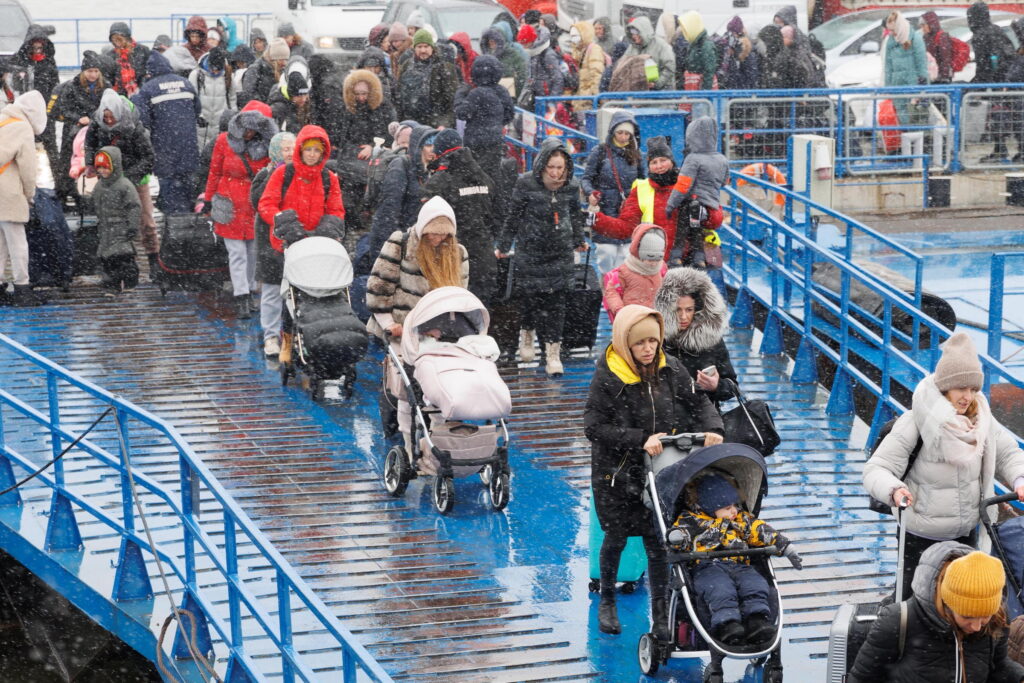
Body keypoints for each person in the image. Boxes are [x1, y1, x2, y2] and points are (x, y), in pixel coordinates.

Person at [584, 304, 725, 635]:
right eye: (640, 343)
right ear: (626, 344)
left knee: (657, 542)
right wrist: (639, 439)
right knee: (616, 537)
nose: (648, 349)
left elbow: (698, 402)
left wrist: (713, 428)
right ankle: (607, 600)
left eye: (653, 341)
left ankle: (660, 614)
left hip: (659, 469)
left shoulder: (670, 368)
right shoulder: (608, 377)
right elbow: (593, 427)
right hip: (618, 472)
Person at [863, 332, 1024, 600]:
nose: (967, 397)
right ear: (945, 387)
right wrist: (894, 490)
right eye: (961, 388)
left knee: (960, 601)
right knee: (915, 601)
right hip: (919, 535)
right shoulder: (915, 422)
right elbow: (876, 469)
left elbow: (1008, 453)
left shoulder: (983, 421)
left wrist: (1019, 479)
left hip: (965, 534)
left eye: (973, 389)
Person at [850, 543, 1024, 683]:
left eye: (985, 615)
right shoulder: (898, 620)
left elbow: (998, 666)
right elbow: (861, 678)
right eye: (967, 616)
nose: (977, 626)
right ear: (947, 603)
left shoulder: (997, 618)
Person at [671, 472, 800, 644]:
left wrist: (785, 546)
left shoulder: (741, 519)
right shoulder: (692, 521)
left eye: (734, 505)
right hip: (707, 566)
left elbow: (760, 530)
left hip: (740, 565)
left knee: (755, 584)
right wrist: (676, 538)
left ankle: (756, 620)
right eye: (727, 508)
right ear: (709, 507)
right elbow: (681, 535)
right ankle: (727, 625)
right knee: (720, 589)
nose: (734, 511)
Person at [496, 137, 587, 377]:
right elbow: (514, 216)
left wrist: (579, 240)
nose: (556, 173)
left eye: (560, 168)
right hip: (531, 250)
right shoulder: (526, 183)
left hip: (560, 252)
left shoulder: (570, 185)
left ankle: (553, 353)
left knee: (557, 303)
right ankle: (527, 335)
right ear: (542, 165)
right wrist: (504, 245)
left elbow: (575, 215)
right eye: (551, 167)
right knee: (529, 298)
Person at [257, 125, 346, 362]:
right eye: (309, 149)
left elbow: (336, 209)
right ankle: (280, 338)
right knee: (284, 293)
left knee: (312, 295)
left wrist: (329, 226)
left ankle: (310, 337)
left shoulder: (328, 178)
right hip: (285, 244)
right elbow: (266, 204)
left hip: (316, 245)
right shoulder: (283, 174)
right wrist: (284, 221)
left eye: (317, 150)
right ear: (301, 150)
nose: (313, 154)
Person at [204, 101, 277, 319]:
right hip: (229, 204)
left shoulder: (267, 147)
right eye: (246, 127)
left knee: (253, 251)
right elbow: (214, 172)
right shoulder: (222, 141)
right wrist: (208, 199)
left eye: (254, 128)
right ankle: (241, 295)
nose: (248, 133)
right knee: (237, 253)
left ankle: (250, 289)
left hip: (253, 204)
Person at [366, 195, 469, 342]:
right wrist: (388, 324)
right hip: (396, 333)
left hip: (434, 336)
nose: (438, 239)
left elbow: (459, 296)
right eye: (433, 233)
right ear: (422, 229)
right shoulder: (400, 244)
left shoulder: (458, 253)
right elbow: (379, 287)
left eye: (444, 235)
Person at [86, 89, 158, 274]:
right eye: (106, 118)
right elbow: (90, 144)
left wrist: (127, 178)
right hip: (108, 180)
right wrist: (90, 164)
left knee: (146, 222)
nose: (109, 121)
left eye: (112, 117)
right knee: (112, 223)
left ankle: (154, 260)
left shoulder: (134, 127)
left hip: (135, 180)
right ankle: (121, 262)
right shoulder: (97, 123)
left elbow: (148, 157)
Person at [422, 128, 497, 304]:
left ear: (439, 152)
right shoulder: (484, 177)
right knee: (479, 311)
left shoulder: (439, 182)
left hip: (451, 259)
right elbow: (497, 215)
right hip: (484, 258)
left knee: (452, 312)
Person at [655, 267, 739, 408]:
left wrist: (716, 386)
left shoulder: (712, 340)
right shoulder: (655, 339)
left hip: (705, 415)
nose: (683, 316)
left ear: (697, 310)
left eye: (689, 310)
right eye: (677, 310)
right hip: (665, 415)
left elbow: (732, 386)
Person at [589, 136, 683, 263]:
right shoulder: (641, 189)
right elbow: (626, 227)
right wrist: (596, 219)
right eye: (654, 162)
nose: (659, 166)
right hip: (652, 262)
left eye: (663, 160)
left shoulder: (685, 185)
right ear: (648, 166)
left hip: (684, 259)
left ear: (672, 161)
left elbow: (709, 221)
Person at [133, 51, 201, 216]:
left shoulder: (148, 88)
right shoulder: (185, 83)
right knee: (187, 178)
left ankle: (173, 218)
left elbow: (143, 120)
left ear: (150, 71)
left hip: (164, 143)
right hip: (188, 142)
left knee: (168, 180)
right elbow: (197, 109)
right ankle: (188, 215)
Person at [362, 125, 436, 273]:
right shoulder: (401, 165)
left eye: (435, 145)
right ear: (418, 146)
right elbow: (389, 209)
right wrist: (386, 249)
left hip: (418, 239)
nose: (433, 149)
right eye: (428, 145)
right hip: (399, 237)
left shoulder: (432, 170)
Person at [581, 111, 642, 274]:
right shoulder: (600, 151)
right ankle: (608, 284)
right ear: (613, 132)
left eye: (627, 134)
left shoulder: (636, 154)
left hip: (628, 212)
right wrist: (590, 192)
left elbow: (643, 181)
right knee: (606, 253)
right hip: (605, 211)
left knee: (625, 256)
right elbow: (586, 178)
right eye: (620, 132)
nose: (623, 137)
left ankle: (616, 286)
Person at [0, 91, 46, 307]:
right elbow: (28, 169)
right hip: (9, 193)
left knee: (0, 242)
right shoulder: (23, 127)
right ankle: (22, 289)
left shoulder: (3, 119)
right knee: (17, 242)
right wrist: (29, 195)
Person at [251, 131, 295, 357]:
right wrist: (275, 176)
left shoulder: (300, 174)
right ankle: (270, 336)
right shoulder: (265, 174)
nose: (290, 153)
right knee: (271, 291)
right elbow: (257, 202)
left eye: (293, 148)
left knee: (294, 292)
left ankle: (291, 338)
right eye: (285, 149)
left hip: (294, 240)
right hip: (269, 243)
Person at [666, 117, 729, 265]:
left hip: (692, 206)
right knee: (697, 229)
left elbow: (682, 186)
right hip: (712, 208)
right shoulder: (722, 159)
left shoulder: (693, 158)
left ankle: (676, 256)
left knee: (683, 228)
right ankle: (699, 258)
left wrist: (670, 205)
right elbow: (725, 182)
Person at [53, 51, 106, 205]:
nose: (93, 75)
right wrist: (78, 118)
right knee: (70, 161)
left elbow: (107, 107)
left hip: (96, 128)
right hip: (74, 129)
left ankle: (93, 194)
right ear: (83, 71)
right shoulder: (72, 86)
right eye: (90, 71)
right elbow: (63, 108)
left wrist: (93, 118)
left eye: (96, 71)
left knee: (95, 160)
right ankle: (66, 192)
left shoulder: (105, 86)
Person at [454, 55, 514, 182]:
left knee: (476, 175)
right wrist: (496, 124)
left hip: (476, 142)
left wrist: (460, 95)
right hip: (496, 140)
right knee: (493, 174)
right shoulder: (502, 91)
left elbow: (461, 113)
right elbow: (509, 114)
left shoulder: (477, 93)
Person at [92, 146, 141, 294]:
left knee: (123, 258)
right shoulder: (99, 186)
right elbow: (95, 204)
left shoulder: (125, 185)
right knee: (108, 260)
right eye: (99, 168)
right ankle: (111, 285)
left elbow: (134, 207)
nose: (102, 171)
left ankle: (130, 283)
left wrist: (133, 226)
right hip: (105, 229)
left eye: (105, 168)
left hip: (121, 228)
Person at [602, 224, 665, 321]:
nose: (654, 263)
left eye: (658, 259)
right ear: (639, 254)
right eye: (650, 259)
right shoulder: (626, 271)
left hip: (655, 318)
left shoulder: (662, 268)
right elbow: (612, 291)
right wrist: (619, 310)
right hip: (632, 319)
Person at [396, 30, 458, 129]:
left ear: (432, 47)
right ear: (414, 48)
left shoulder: (444, 68)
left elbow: (451, 102)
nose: (423, 50)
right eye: (419, 47)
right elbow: (399, 97)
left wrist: (444, 125)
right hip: (411, 125)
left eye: (426, 46)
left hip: (436, 125)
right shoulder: (407, 66)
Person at [883, 11, 928, 125]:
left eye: (893, 30)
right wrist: (888, 87)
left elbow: (921, 63)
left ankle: (915, 133)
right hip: (897, 84)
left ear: (899, 27)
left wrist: (923, 84)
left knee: (915, 114)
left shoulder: (915, 38)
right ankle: (905, 132)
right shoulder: (890, 41)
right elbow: (888, 66)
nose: (891, 33)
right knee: (901, 113)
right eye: (890, 30)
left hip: (913, 82)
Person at [190, 48, 236, 151]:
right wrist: (198, 115)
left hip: (220, 120)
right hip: (201, 122)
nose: (215, 72)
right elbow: (191, 99)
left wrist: (233, 115)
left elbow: (232, 98)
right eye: (213, 68)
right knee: (200, 148)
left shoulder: (228, 75)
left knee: (217, 150)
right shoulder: (196, 75)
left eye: (218, 69)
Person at [622, 16, 675, 91]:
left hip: (662, 93)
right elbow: (623, 65)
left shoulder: (661, 45)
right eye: (632, 32)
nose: (633, 36)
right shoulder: (632, 47)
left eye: (636, 32)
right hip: (640, 92)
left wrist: (657, 83)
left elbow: (670, 67)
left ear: (644, 31)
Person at [518, 24, 564, 99]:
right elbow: (530, 79)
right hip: (539, 98)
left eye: (525, 43)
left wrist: (551, 101)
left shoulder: (547, 55)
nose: (523, 47)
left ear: (532, 40)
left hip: (546, 98)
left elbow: (558, 79)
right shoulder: (532, 53)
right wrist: (522, 98)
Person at [240, 38, 290, 107]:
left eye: (286, 59)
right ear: (273, 58)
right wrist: (264, 107)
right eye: (281, 59)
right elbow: (248, 93)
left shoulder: (282, 71)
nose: (284, 63)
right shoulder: (256, 69)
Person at [481, 25, 527, 98]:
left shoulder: (513, 55)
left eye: (493, 40)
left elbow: (522, 76)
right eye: (488, 40)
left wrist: (514, 92)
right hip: (490, 97)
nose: (491, 42)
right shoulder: (485, 57)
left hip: (509, 96)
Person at [678, 12, 717, 91]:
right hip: (694, 88)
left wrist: (704, 93)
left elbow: (709, 72)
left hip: (699, 89)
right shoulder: (694, 43)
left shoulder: (706, 45)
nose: (684, 32)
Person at [718, 17, 760, 91]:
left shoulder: (745, 48)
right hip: (735, 89)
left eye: (732, 33)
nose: (730, 36)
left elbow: (751, 75)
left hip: (740, 90)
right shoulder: (728, 46)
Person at [569, 21, 606, 102]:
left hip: (588, 100)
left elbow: (597, 76)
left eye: (575, 36)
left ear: (584, 34)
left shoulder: (594, 49)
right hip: (582, 97)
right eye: (571, 36)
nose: (573, 39)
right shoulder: (580, 51)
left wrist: (595, 98)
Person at [920, 11, 954, 84]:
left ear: (930, 24)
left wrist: (943, 77)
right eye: (921, 26)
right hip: (930, 76)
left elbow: (945, 59)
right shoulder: (925, 37)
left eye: (923, 25)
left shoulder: (942, 37)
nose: (922, 28)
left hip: (940, 77)